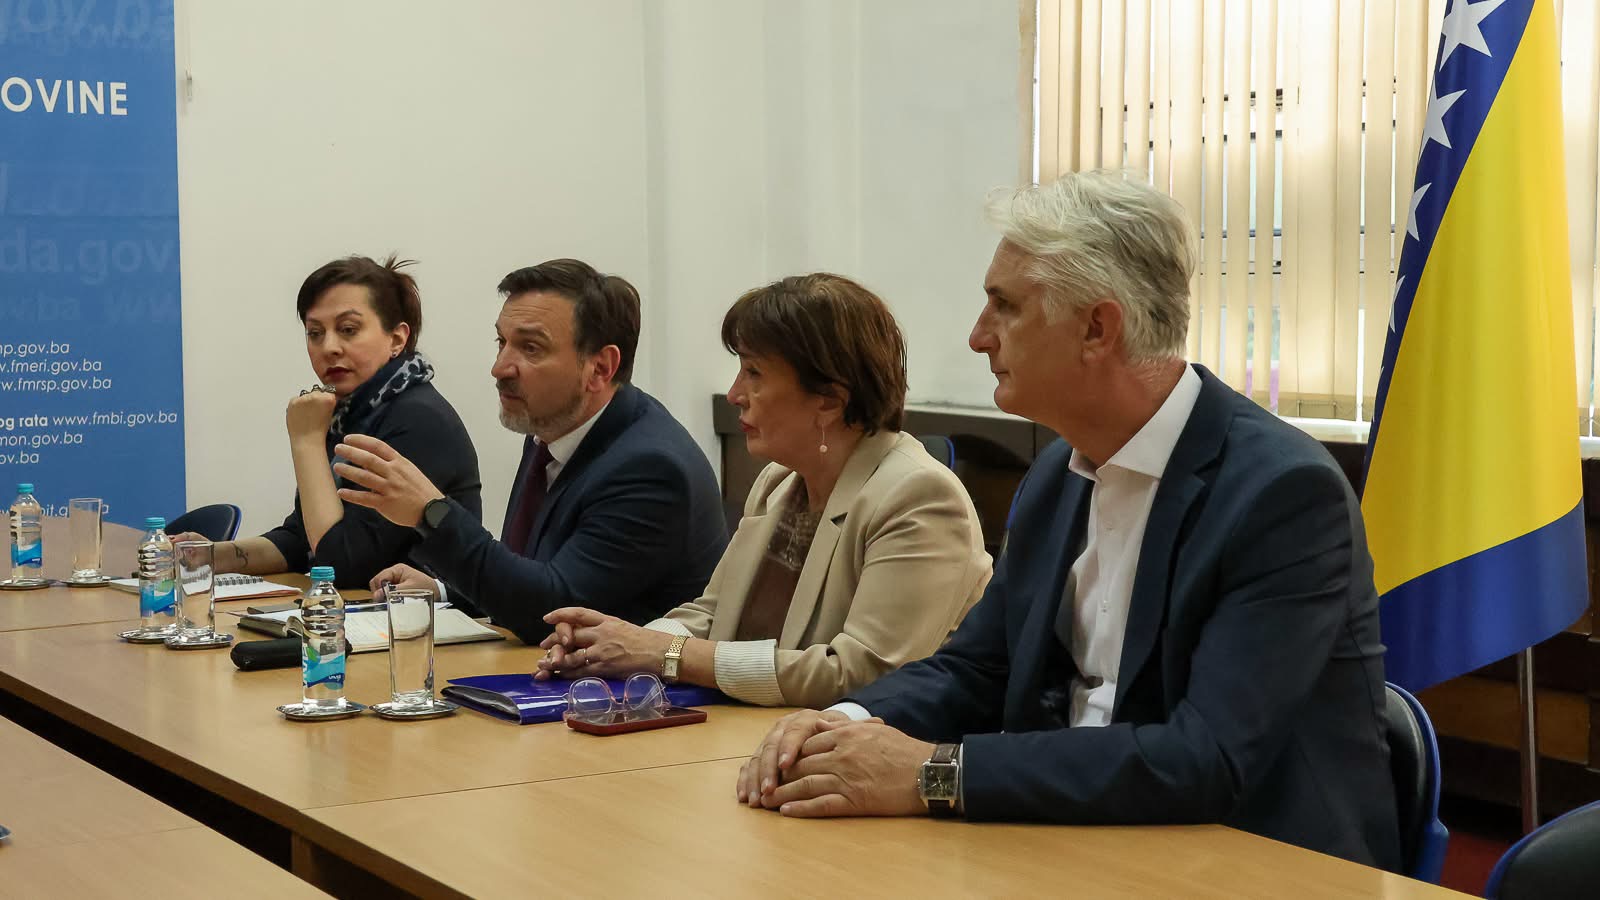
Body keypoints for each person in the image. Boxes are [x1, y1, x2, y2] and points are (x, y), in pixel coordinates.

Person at [734, 172, 1402, 871]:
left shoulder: (1281, 493)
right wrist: (840, 723)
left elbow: (1206, 757)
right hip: (1074, 836)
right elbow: (978, 666)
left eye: (1005, 306)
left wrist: (934, 773)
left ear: (1097, 328)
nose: (977, 337)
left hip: (1253, 864)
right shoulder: (1059, 473)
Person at [533, 274, 992, 709]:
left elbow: (861, 673)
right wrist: (611, 644)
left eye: (754, 373)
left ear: (829, 400)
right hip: (753, 732)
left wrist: (663, 654)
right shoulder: (778, 482)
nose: (735, 394)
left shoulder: (918, 497)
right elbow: (712, 613)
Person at [337, 259, 727, 642]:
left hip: (632, 683)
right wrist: (442, 589)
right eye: (502, 342)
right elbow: (535, 571)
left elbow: (549, 612)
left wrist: (430, 511)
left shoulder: (651, 468)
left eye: (531, 348)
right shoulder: (551, 428)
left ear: (600, 368)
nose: (500, 367)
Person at [175, 255, 481, 590]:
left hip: (423, 617)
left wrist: (305, 442)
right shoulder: (349, 413)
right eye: (315, 333)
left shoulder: (417, 418)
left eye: (348, 330)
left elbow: (341, 565)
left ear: (397, 339)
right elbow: (300, 538)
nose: (329, 347)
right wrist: (210, 556)